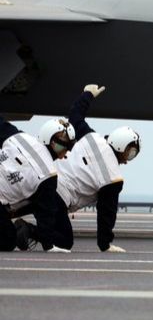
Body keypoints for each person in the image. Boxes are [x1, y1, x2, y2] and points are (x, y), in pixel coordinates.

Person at [42, 84, 137, 253]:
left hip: (43, 175)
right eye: (129, 154)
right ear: (121, 146)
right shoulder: (113, 177)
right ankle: (26, 231)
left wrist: (87, 94)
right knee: (64, 240)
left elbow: (75, 115)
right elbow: (106, 213)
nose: (127, 160)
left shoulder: (92, 137)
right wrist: (105, 244)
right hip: (59, 196)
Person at [0, 116, 73, 253]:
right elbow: (46, 213)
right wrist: (48, 246)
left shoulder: (18, 136)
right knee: (8, 241)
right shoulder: (48, 175)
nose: (65, 151)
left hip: (11, 198)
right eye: (63, 144)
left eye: (68, 146)